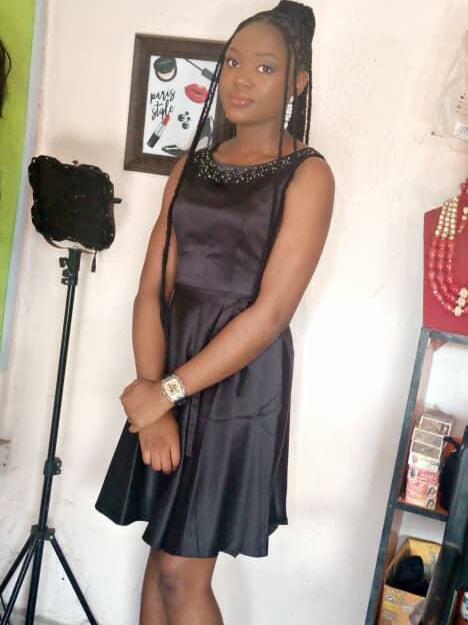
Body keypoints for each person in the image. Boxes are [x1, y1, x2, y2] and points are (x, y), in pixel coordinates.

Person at [95, 1, 335, 623]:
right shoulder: (190, 167)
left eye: (265, 67)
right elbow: (152, 290)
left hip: (239, 385)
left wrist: (166, 393)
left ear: (297, 83)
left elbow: (272, 313)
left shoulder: (308, 175)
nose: (241, 79)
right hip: (170, 366)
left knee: (182, 572)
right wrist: (153, 395)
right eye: (233, 62)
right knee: (161, 558)